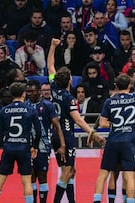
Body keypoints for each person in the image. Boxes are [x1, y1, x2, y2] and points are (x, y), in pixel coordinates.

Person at [47, 38, 104, 203]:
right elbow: (78, 120)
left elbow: (50, 65)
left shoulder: (53, 87)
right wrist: (93, 134)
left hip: (55, 135)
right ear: (70, 81)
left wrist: (52, 47)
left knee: (71, 170)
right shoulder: (69, 98)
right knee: (66, 172)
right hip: (66, 136)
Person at [93, 74, 135, 203]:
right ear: (130, 85)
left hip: (113, 140)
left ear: (116, 86)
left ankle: (96, 201)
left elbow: (102, 123)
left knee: (103, 174)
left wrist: (117, 124)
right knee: (129, 175)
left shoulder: (109, 101)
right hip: (129, 141)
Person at [0, 82, 42, 203]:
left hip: (9, 147)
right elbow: (38, 131)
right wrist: (35, 146)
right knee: (26, 181)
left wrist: (4, 142)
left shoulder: (4, 110)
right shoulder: (30, 110)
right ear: (24, 94)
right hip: (24, 148)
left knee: (0, 180)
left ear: (12, 94)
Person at [25, 80, 66, 203]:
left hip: (43, 146)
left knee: (42, 176)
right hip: (28, 146)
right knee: (30, 176)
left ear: (39, 91)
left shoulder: (48, 105)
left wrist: (62, 144)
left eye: (33, 91)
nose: (30, 94)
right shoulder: (25, 106)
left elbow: (57, 126)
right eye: (28, 91)